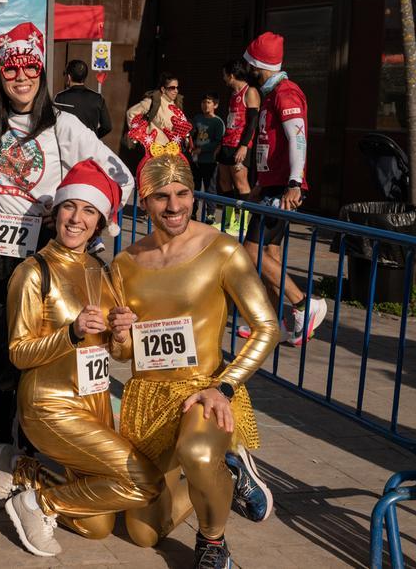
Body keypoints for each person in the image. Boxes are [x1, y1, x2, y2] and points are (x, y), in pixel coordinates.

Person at [0, 22, 133, 509]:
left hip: (45, 258)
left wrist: (98, 218)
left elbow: (119, 175)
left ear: (42, 70)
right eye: (10, 67)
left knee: (46, 357)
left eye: (30, 66)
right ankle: (5, 445)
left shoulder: (65, 125)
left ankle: (38, 447)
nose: (21, 75)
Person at [110, 154, 279, 568]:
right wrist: (119, 334)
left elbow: (267, 327)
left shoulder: (221, 249)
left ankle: (213, 543)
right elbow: (122, 353)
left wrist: (224, 385)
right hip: (147, 399)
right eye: (161, 196)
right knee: (142, 532)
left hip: (205, 391)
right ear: (144, 201)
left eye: (183, 193)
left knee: (199, 453)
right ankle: (227, 475)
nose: (174, 206)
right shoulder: (124, 263)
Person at [1, 160, 159, 556]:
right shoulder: (33, 271)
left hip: (96, 401)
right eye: (70, 207)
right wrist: (70, 332)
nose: (77, 218)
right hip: (50, 403)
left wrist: (123, 334)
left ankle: (31, 474)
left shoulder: (101, 271)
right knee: (142, 480)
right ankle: (36, 504)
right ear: (56, 214)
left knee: (97, 525)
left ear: (100, 222)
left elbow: (115, 351)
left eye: (89, 210)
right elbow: (18, 354)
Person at [240, 32, 328, 346]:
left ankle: (305, 303)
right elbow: (271, 144)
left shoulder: (286, 93)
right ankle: (273, 323)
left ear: (257, 65)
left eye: (248, 64)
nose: (245, 70)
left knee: (252, 253)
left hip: (283, 187)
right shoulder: (271, 93)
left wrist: (293, 182)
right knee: (270, 254)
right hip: (271, 185)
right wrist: (261, 184)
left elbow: (298, 138)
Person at [125, 72, 193, 175]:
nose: (176, 91)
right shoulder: (153, 102)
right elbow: (131, 113)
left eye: (177, 88)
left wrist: (186, 138)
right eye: (172, 88)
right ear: (163, 89)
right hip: (155, 151)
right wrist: (140, 135)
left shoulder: (176, 104)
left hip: (173, 152)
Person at [217, 59, 260, 207]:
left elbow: (253, 122)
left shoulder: (250, 92)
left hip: (239, 144)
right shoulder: (232, 94)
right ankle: (230, 220)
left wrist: (244, 146)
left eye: (224, 75)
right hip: (227, 142)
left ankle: (242, 222)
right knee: (224, 182)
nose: (223, 78)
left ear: (232, 75)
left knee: (240, 182)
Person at [52, 59, 112, 138]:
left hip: (67, 146)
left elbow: (53, 125)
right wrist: (94, 137)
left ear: (69, 77)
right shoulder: (97, 98)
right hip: (90, 146)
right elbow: (107, 127)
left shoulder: (60, 98)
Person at [189, 92, 225, 201]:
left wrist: (202, 149)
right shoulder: (197, 118)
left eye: (209, 102)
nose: (205, 105)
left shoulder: (218, 122)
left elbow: (218, 142)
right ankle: (193, 212)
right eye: (203, 102)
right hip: (195, 160)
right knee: (194, 187)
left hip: (210, 160)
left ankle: (210, 215)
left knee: (210, 188)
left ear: (215, 105)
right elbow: (191, 135)